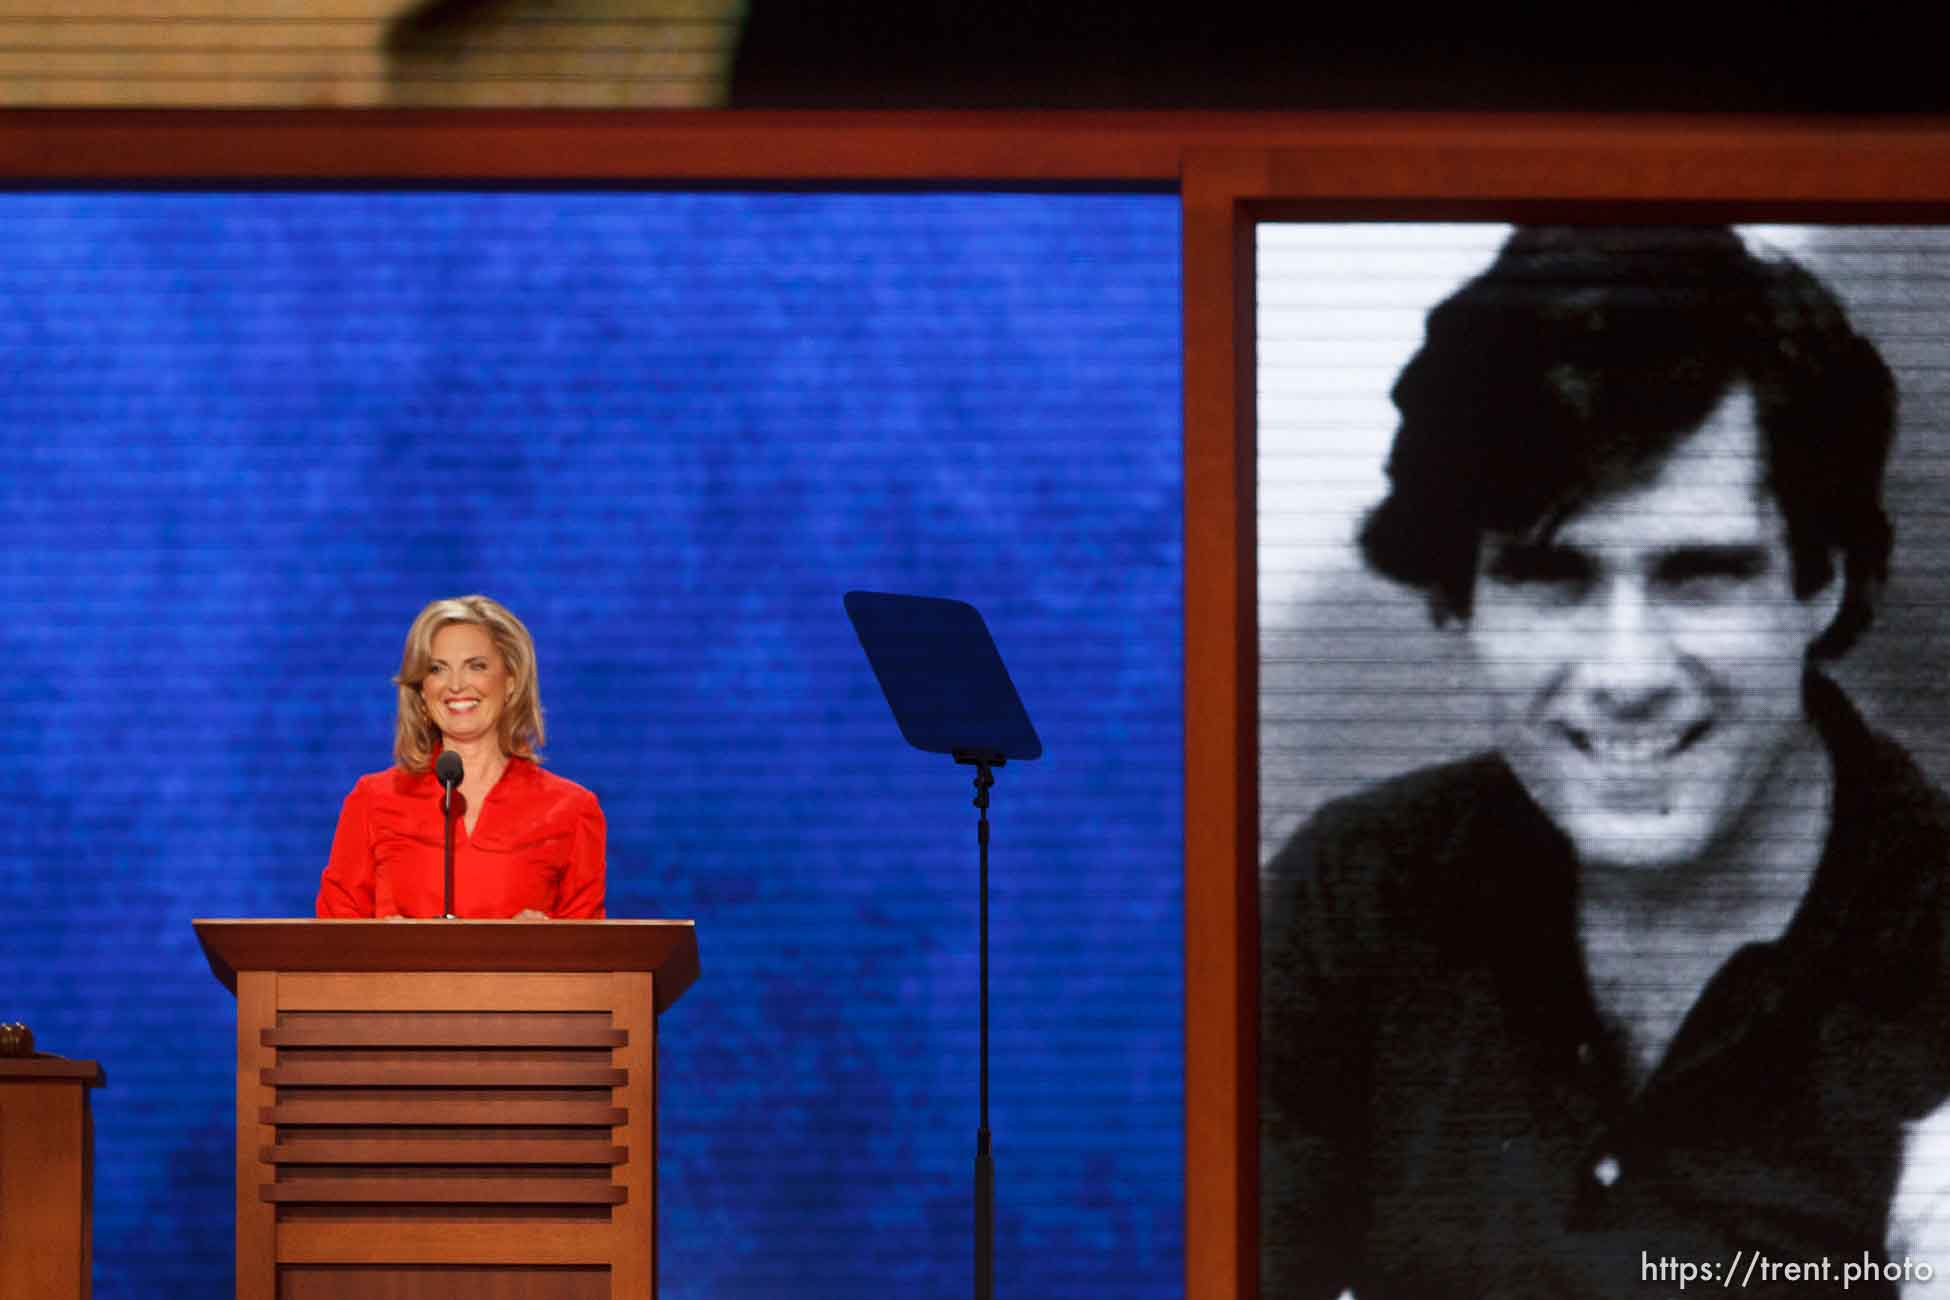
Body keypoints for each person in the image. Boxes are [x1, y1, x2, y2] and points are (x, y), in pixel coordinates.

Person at [1261, 226, 1950, 1298]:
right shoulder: (1353, 896)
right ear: (1458, 599)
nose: (1626, 671)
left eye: (1701, 574)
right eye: (1553, 575)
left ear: (1819, 584)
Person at [316, 594, 606, 919]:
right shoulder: (371, 801)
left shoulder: (572, 810)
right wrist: (379, 948)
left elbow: (591, 957)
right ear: (422, 691)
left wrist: (546, 947)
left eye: (476, 666)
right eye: (437, 669)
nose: (455, 685)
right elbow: (333, 941)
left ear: (511, 680)